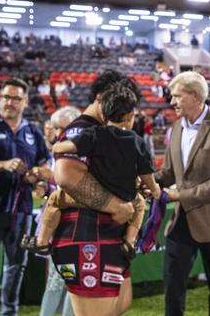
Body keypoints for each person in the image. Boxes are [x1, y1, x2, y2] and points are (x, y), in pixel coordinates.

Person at [22, 84, 159, 257]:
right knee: (139, 205)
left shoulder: (94, 133)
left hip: (98, 197)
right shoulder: (137, 141)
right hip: (126, 197)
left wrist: (57, 146)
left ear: (103, 113)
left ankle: (41, 242)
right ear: (131, 116)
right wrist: (154, 189)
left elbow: (66, 147)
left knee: (55, 199)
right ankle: (129, 243)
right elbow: (146, 174)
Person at [50, 71, 141, 316]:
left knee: (120, 305)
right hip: (88, 235)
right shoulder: (81, 130)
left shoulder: (107, 133)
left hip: (107, 236)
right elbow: (66, 174)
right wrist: (116, 205)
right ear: (101, 98)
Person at [0, 78, 51, 315]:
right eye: (5, 97)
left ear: (24, 102)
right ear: (0, 99)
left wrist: (36, 175)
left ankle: (9, 312)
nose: (9, 102)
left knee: (16, 266)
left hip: (20, 209)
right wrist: (4, 164)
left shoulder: (32, 131)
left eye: (15, 98)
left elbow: (44, 168)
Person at [155, 71, 210, 316]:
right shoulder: (176, 128)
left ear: (194, 96)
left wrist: (181, 196)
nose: (173, 102)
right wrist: (147, 181)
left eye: (177, 96)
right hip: (180, 221)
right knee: (172, 288)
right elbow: (169, 172)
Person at [37, 107, 82, 316]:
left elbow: (79, 186)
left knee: (71, 281)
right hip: (59, 225)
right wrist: (46, 187)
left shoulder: (81, 151)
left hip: (76, 225)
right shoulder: (61, 150)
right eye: (54, 128)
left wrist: (51, 177)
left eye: (60, 128)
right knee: (56, 280)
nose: (56, 133)